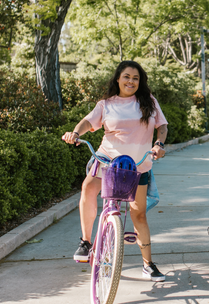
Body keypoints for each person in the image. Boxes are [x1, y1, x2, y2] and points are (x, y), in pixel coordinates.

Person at [62, 60, 169, 282]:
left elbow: (162, 126)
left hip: (138, 166)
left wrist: (159, 145)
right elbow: (87, 122)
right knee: (88, 188)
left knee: (138, 214)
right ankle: (86, 242)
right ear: (118, 79)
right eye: (127, 76)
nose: (131, 81)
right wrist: (75, 132)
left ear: (140, 82)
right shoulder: (106, 104)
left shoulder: (149, 102)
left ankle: (148, 265)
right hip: (108, 162)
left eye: (136, 78)